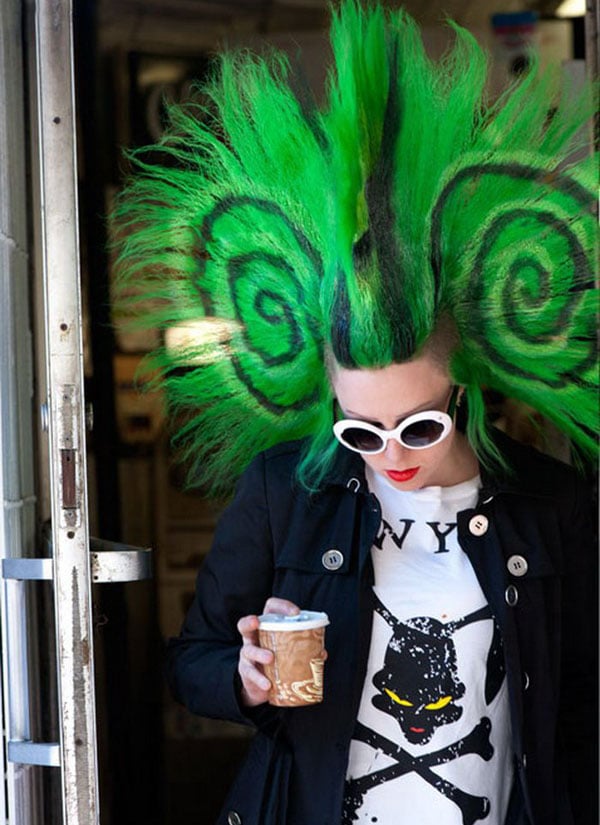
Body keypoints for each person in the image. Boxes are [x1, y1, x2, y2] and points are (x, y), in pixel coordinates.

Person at [112, 3, 598, 823]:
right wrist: (244, 675)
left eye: (418, 425)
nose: (390, 455)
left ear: (464, 387)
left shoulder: (552, 504)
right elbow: (189, 659)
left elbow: (581, 706)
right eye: (359, 431)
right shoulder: (284, 494)